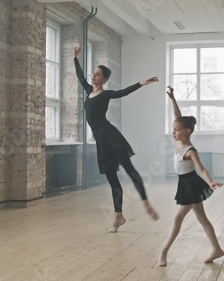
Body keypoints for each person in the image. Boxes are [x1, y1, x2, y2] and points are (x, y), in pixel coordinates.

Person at [73, 44, 159, 233]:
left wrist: (141, 83)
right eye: (93, 73)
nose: (93, 75)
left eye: (97, 74)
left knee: (129, 170)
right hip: (101, 142)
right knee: (112, 179)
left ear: (104, 79)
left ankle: (146, 203)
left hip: (111, 137)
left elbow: (123, 92)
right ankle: (118, 216)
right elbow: (80, 76)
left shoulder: (106, 94)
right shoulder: (89, 91)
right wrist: (75, 57)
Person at [158, 86, 224, 266]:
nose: (173, 132)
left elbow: (201, 169)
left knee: (177, 219)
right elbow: (178, 117)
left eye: (176, 130)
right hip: (186, 184)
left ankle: (163, 252)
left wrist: (210, 182)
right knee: (202, 218)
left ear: (186, 131)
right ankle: (217, 249)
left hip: (191, 185)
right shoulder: (182, 139)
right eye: (173, 129)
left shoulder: (190, 150)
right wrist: (172, 99)